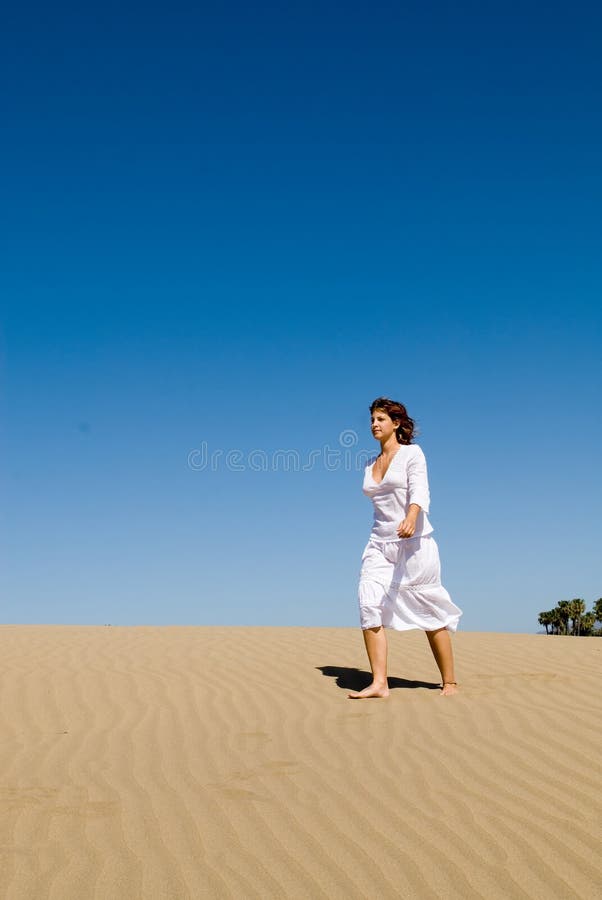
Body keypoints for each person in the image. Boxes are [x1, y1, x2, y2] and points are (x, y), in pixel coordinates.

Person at [348, 397, 462, 699]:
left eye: (381, 419)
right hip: (379, 543)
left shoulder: (412, 454)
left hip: (414, 542)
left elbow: (420, 489)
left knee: (428, 608)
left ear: (396, 423)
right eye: (372, 419)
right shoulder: (369, 464)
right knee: (368, 601)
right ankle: (379, 683)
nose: (374, 424)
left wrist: (412, 516)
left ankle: (449, 681)